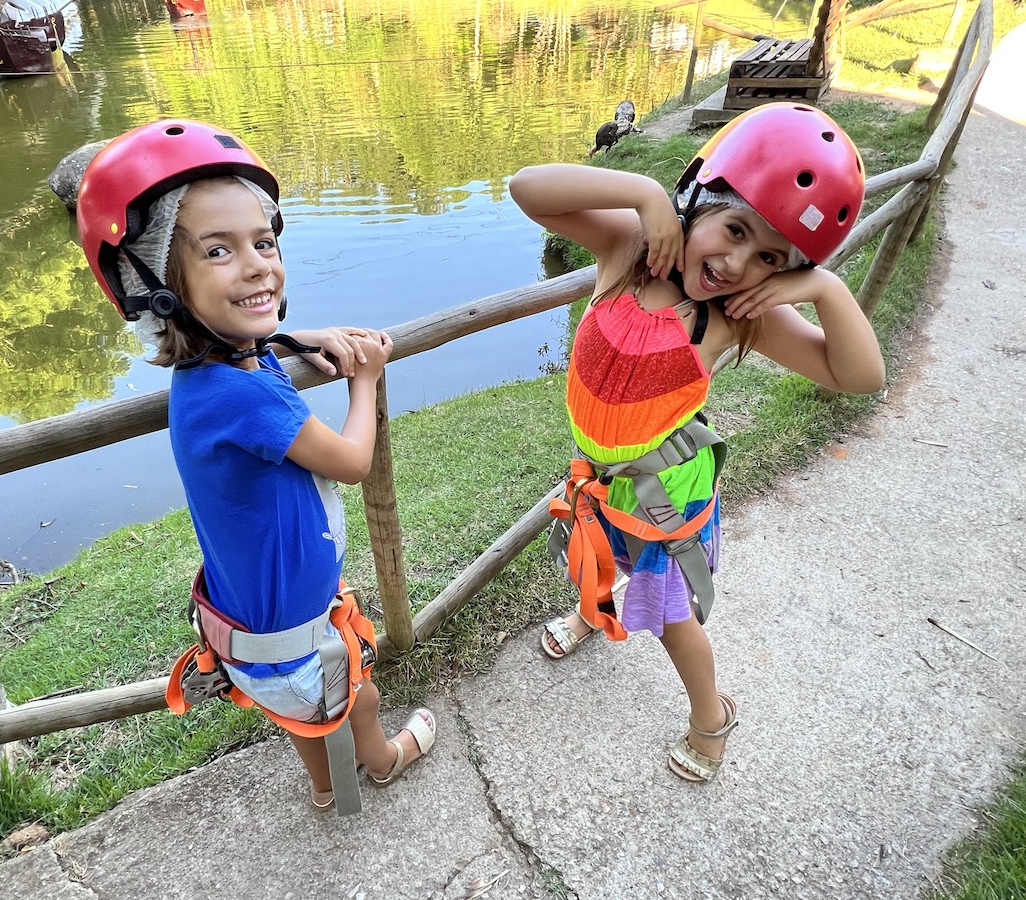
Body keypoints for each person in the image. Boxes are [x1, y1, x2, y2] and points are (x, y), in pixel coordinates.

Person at [508, 102, 885, 783]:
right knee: (602, 558)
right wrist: (643, 193)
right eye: (733, 228)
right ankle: (594, 614)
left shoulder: (740, 318)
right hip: (602, 481)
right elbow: (527, 187)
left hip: (666, 504)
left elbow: (860, 376)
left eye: (768, 257)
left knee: (674, 621)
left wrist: (821, 288)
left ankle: (711, 717)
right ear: (695, 199)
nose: (736, 262)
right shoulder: (628, 251)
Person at [76, 119, 436, 815]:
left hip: (264, 624)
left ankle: (332, 786)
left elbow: (257, 343)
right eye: (218, 251)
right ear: (153, 285)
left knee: (323, 711)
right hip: (288, 637)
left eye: (263, 242)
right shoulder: (239, 394)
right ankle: (369, 770)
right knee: (352, 702)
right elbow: (354, 462)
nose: (257, 265)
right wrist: (365, 376)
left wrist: (302, 335)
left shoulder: (220, 365)